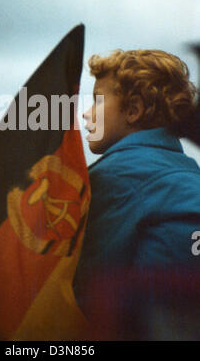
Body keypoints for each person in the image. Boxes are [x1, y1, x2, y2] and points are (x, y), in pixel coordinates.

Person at [73, 49, 200, 339]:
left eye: (97, 101)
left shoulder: (112, 177)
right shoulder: (190, 172)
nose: (86, 113)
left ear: (133, 111)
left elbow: (86, 287)